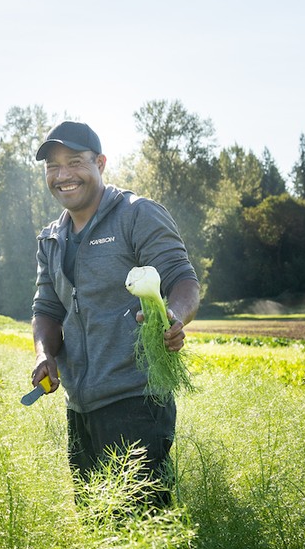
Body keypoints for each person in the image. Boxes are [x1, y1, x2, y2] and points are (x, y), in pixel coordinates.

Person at [30, 121, 200, 504]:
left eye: (74, 162)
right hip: (80, 407)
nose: (63, 175)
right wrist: (46, 354)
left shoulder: (137, 214)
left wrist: (174, 315)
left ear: (100, 163)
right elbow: (47, 308)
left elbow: (182, 280)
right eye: (52, 167)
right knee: (97, 527)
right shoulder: (51, 237)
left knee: (145, 530)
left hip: (136, 402)